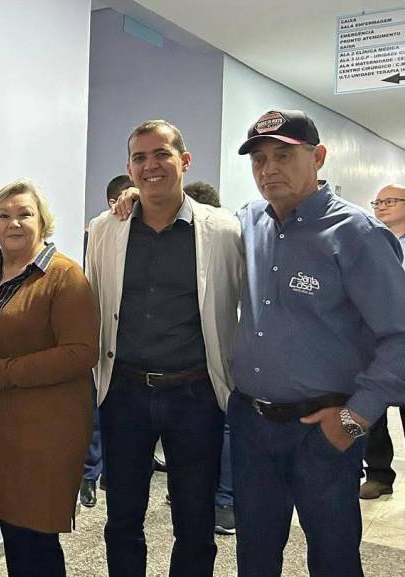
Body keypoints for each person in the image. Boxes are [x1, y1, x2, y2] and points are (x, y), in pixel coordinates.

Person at [229, 109, 405, 577]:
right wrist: (134, 198)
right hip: (250, 424)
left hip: (322, 429)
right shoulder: (248, 221)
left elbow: (400, 338)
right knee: (254, 555)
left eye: (284, 155)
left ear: (319, 157)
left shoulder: (358, 234)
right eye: (259, 159)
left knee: (333, 557)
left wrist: (354, 420)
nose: (269, 169)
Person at [85, 119, 242, 577]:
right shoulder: (105, 229)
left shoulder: (223, 230)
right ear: (129, 168)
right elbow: (94, 301)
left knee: (194, 521)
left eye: (161, 154)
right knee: (122, 519)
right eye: (140, 157)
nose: (150, 165)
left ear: (184, 161)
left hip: (195, 394)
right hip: (125, 393)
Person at [0, 179, 98, 575]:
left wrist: (3, 374)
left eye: (25, 214)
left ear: (43, 221)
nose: (14, 223)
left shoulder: (64, 276)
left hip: (45, 430)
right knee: (14, 531)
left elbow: (81, 352)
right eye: (4, 215)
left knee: (36, 537)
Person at [182, 180, 236, 534]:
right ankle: (221, 499)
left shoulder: (231, 233)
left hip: (220, 367)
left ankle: (225, 500)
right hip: (196, 372)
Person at [81, 174, 133, 508]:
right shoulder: (98, 232)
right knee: (95, 412)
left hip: (132, 351)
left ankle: (105, 475)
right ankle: (89, 474)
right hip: (100, 340)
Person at [360, 184, 405, 499]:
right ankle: (378, 474)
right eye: (377, 202)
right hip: (372, 338)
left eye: (390, 201)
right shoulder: (370, 243)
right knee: (371, 410)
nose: (381, 206)